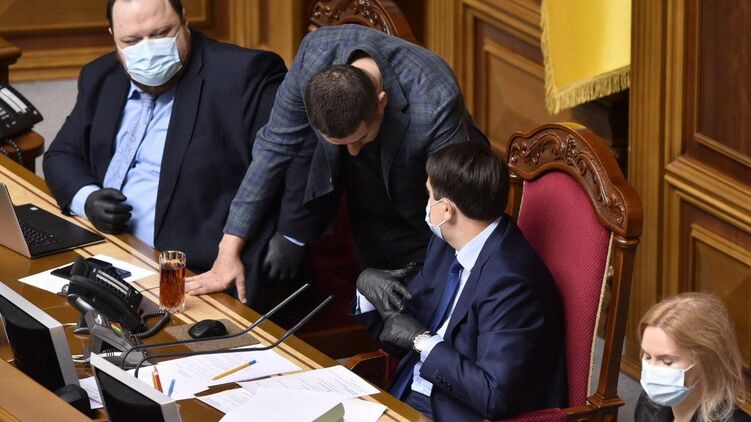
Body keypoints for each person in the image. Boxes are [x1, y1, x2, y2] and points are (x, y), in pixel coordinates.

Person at [186, 24, 487, 303]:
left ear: (382, 102)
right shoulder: (314, 56)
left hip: (426, 200)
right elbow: (272, 149)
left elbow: (452, 203)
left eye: (360, 138)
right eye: (340, 143)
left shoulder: (433, 96)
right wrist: (228, 251)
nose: (352, 152)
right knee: (376, 300)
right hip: (366, 203)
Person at [43, 0, 313, 311]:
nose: (147, 50)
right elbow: (61, 155)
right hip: (104, 250)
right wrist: (88, 200)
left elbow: (301, 149)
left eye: (160, 34)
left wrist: (292, 235)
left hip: (191, 270)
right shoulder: (100, 75)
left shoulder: (245, 76)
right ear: (113, 36)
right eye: (131, 40)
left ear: (184, 20)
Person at [354, 142, 567, 421]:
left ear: (446, 210)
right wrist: (367, 292)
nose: (426, 205)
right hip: (404, 392)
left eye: (429, 195)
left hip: (454, 413)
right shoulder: (446, 244)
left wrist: (422, 340)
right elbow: (398, 333)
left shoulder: (511, 282)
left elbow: (494, 396)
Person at [636, 292, 749, 422]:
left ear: (705, 361)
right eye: (647, 357)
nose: (651, 370)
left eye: (667, 361)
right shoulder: (648, 404)